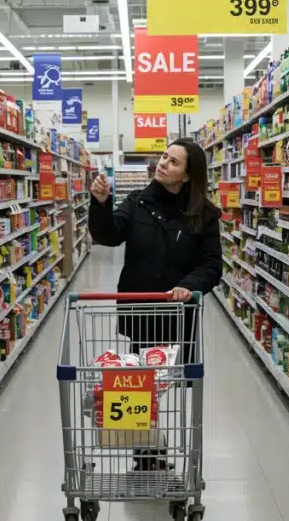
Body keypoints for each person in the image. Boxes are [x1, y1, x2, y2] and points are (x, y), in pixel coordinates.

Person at [89, 138, 221, 471]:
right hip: (142, 311)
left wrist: (187, 287)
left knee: (167, 380)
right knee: (141, 380)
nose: (163, 163)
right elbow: (108, 235)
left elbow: (211, 264)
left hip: (178, 314)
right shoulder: (137, 202)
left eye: (173, 162)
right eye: (164, 157)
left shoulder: (203, 216)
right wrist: (102, 203)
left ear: (188, 176)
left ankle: (156, 444)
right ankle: (146, 452)